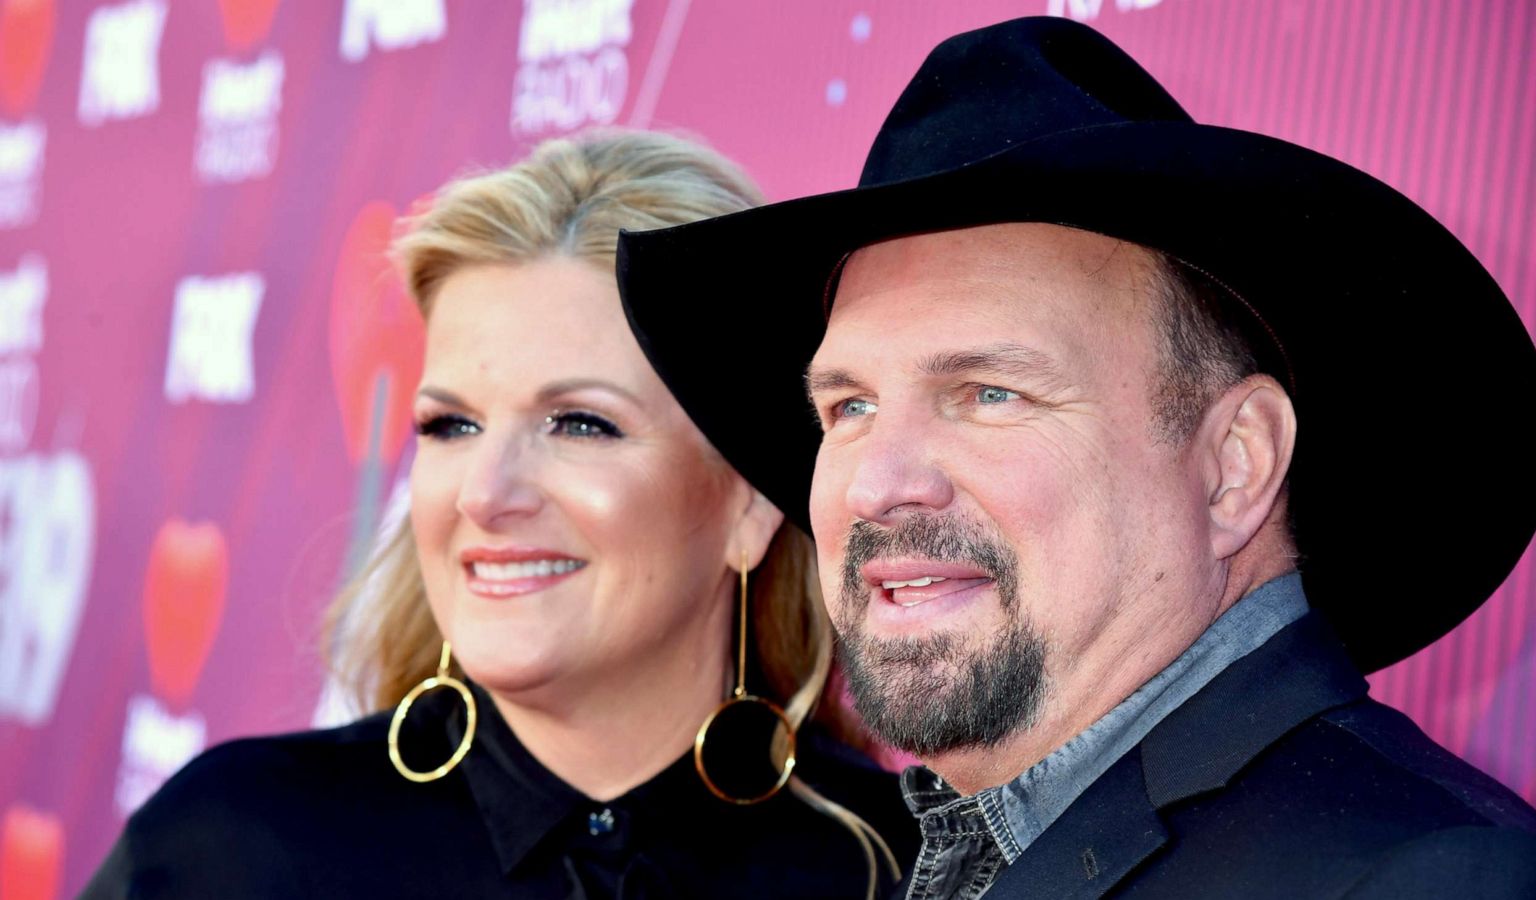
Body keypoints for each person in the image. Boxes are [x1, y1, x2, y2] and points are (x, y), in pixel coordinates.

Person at [614, 17, 1536, 900]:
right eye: (848, 406)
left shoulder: (1434, 883)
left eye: (988, 393)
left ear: (1234, 465)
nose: (874, 483)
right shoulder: (916, 856)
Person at [85, 132, 915, 899]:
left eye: (580, 423)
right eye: (452, 425)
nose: (484, 493)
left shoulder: (907, 868)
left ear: (751, 502)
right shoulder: (232, 849)